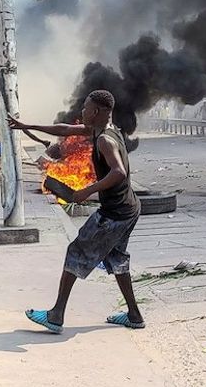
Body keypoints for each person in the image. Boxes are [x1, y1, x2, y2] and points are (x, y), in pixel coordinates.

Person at [13, 91, 145, 332]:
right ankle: (134, 315)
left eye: (85, 108)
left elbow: (118, 172)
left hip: (114, 214)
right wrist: (26, 125)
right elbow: (64, 129)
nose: (82, 112)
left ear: (96, 112)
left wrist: (86, 191)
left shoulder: (105, 139)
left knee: (76, 251)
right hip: (129, 209)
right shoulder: (104, 129)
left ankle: (56, 315)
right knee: (116, 259)